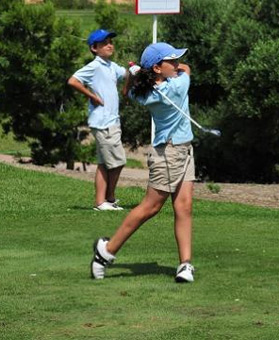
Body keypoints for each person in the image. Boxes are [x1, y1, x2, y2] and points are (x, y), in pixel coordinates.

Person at [91, 42, 196, 283]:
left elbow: (127, 92)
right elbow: (187, 69)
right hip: (168, 153)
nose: (178, 64)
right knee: (150, 207)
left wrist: (133, 74)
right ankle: (106, 252)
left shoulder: (146, 92)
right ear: (158, 68)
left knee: (184, 206)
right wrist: (146, 74)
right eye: (172, 61)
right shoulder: (177, 87)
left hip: (184, 149)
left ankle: (185, 265)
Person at [68, 29, 127, 211]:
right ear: (94, 48)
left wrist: (134, 72)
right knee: (118, 161)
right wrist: (92, 96)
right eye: (105, 43)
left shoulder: (111, 65)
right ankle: (108, 198)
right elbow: (73, 81)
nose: (110, 45)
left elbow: (126, 74)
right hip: (104, 122)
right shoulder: (95, 66)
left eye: (111, 42)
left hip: (110, 121)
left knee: (104, 164)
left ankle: (101, 202)